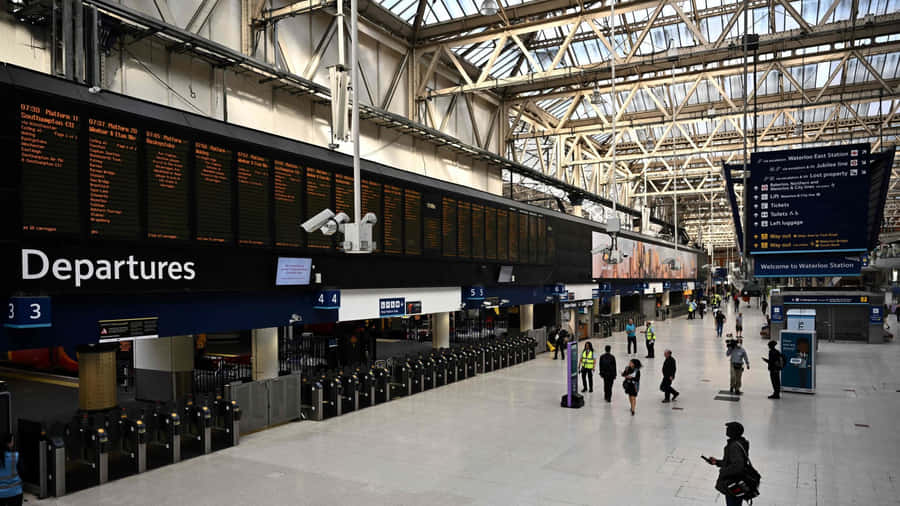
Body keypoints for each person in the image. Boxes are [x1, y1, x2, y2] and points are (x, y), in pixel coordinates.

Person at [704, 422, 751, 506]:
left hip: (733, 482)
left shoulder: (734, 446)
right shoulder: (740, 442)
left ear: (733, 432)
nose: (726, 429)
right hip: (737, 480)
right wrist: (717, 462)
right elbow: (731, 462)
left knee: (733, 503)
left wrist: (723, 471)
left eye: (728, 428)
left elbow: (737, 465)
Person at [0, 433, 23, 506]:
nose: (13, 443)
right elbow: (22, 472)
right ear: (9, 443)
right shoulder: (16, 456)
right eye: (12, 441)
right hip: (15, 492)